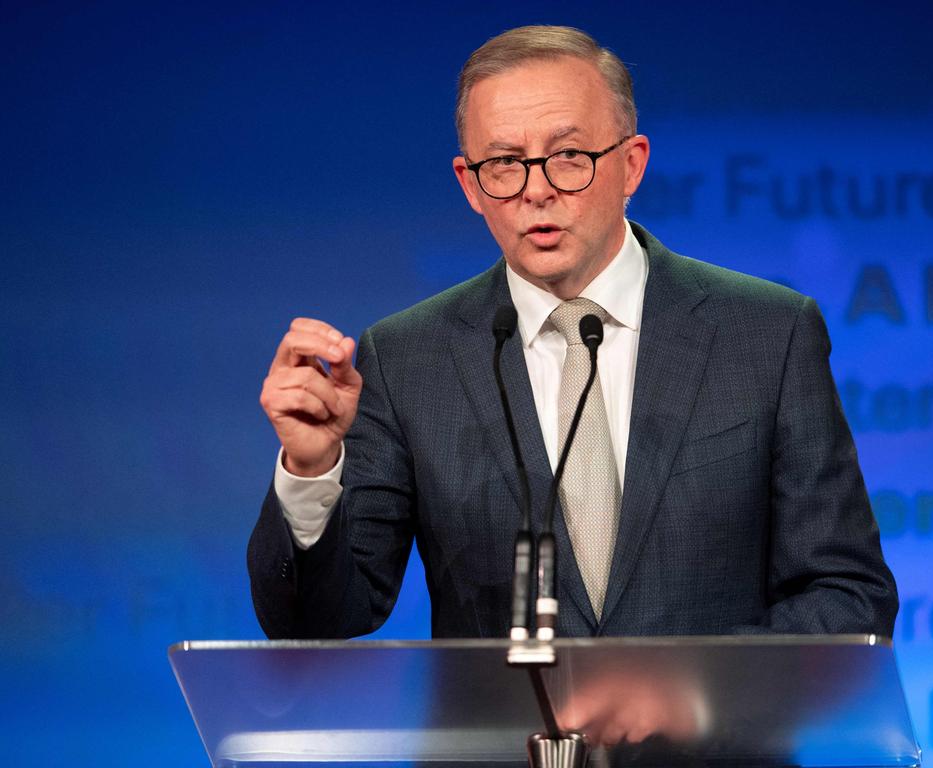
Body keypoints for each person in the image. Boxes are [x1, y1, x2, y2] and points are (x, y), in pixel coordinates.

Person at [248, 25, 897, 640]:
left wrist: (691, 690)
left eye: (567, 156)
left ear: (632, 165)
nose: (537, 191)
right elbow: (322, 622)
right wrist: (311, 469)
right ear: (468, 184)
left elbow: (847, 596)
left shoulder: (767, 333)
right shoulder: (407, 357)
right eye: (504, 163)